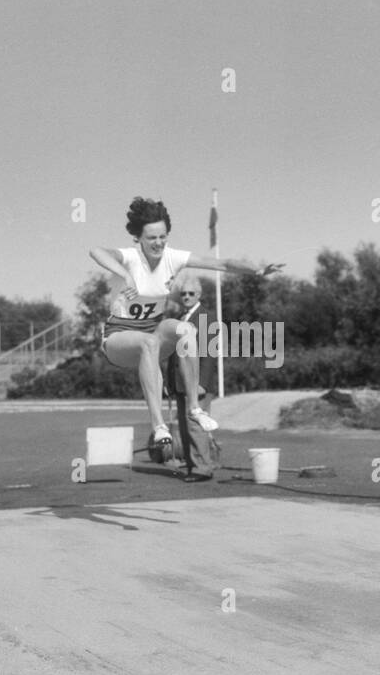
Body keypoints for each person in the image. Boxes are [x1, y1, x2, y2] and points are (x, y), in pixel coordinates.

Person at [89, 196, 283, 461]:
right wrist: (124, 275)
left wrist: (258, 271)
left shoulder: (173, 257)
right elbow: (96, 251)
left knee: (185, 330)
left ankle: (194, 408)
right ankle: (158, 426)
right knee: (149, 343)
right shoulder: (129, 258)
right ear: (138, 238)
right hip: (118, 339)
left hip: (151, 333)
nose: (158, 243)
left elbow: (223, 264)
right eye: (151, 238)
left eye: (162, 237)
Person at [160, 272, 219, 480]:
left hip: (197, 383)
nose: (186, 297)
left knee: (195, 426)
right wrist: (168, 383)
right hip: (180, 383)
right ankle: (194, 465)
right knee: (184, 427)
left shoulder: (207, 317)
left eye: (191, 293)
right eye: (183, 293)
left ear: (199, 294)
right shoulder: (178, 320)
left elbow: (210, 354)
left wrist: (202, 383)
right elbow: (173, 355)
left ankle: (203, 468)